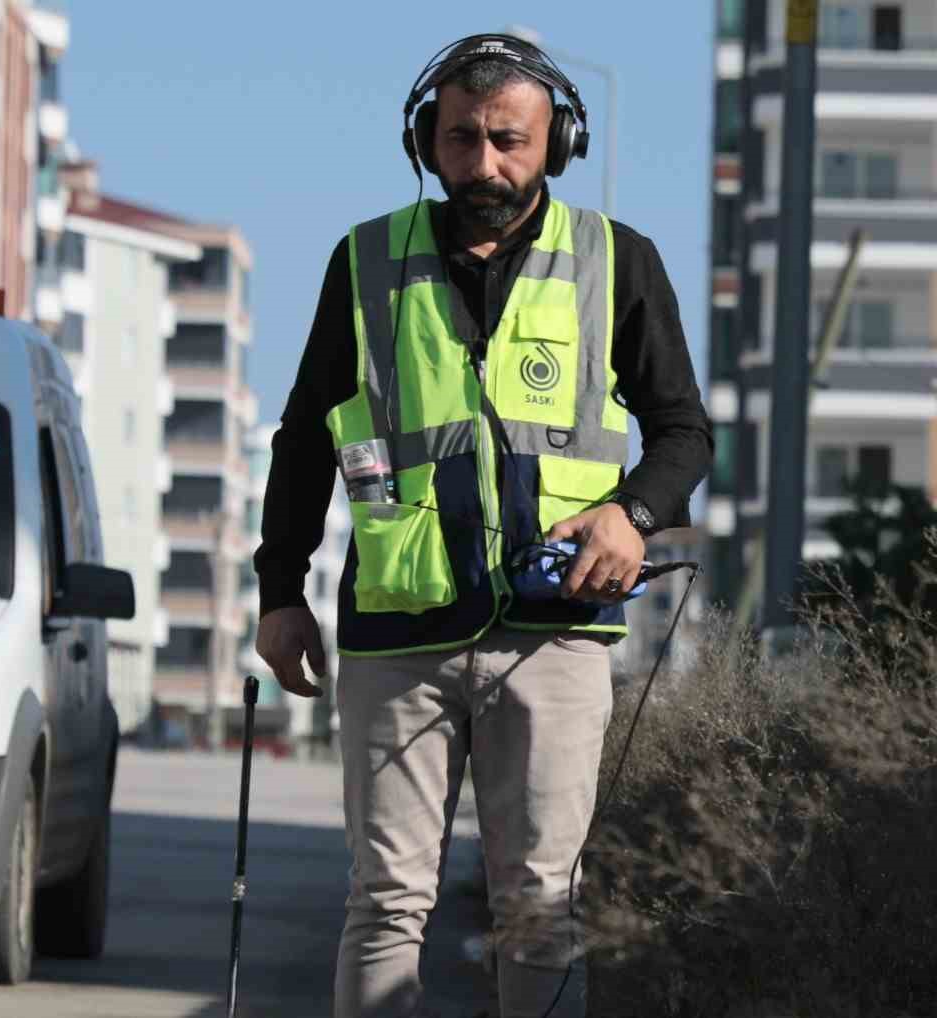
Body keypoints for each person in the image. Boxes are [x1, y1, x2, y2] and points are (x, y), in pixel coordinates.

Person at [253, 34, 712, 1018]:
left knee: (543, 905)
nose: (485, 163)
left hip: (552, 637)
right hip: (396, 632)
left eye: (509, 139)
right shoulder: (366, 260)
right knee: (384, 902)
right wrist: (278, 593)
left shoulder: (613, 261)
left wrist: (633, 516)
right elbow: (302, 439)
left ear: (557, 144)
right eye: (461, 138)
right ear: (427, 140)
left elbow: (684, 433)